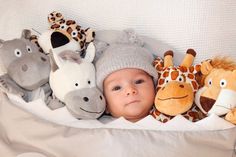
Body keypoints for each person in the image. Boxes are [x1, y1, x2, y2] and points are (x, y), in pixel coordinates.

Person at [96, 44, 158, 122]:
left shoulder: (169, 121)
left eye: (139, 81)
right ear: (105, 103)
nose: (130, 90)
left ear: (154, 85)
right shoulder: (97, 127)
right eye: (117, 88)